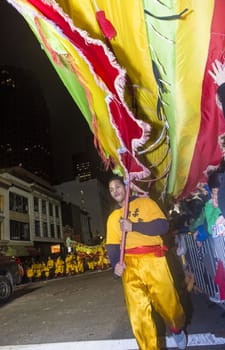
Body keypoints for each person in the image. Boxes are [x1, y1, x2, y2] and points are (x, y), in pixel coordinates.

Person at [106, 175, 187, 350]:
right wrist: (115, 267)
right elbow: (112, 246)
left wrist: (133, 227)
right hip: (130, 266)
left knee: (169, 305)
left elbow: (163, 226)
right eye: (111, 190)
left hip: (154, 261)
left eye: (117, 187)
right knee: (138, 315)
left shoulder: (146, 203)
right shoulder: (113, 217)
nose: (115, 192)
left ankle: (176, 328)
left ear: (127, 186)